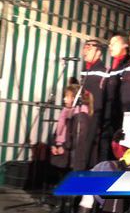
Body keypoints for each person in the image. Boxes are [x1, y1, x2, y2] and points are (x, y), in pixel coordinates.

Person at [50, 84, 93, 213]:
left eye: (67, 97)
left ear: (75, 98)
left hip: (72, 157)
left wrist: (64, 147)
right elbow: (58, 131)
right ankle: (60, 206)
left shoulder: (81, 115)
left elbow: (77, 139)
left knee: (68, 186)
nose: (64, 99)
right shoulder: (66, 112)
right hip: (62, 154)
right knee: (61, 183)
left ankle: (66, 208)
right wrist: (54, 144)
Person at [100, 34, 130, 161]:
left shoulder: (128, 65)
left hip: (120, 118)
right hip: (108, 117)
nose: (110, 46)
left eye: (114, 43)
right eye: (110, 44)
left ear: (125, 45)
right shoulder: (111, 67)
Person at [80, 39, 107, 168]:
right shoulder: (85, 70)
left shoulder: (102, 70)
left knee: (88, 149)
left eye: (89, 48)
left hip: (94, 114)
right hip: (84, 113)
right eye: (85, 48)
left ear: (98, 52)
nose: (85, 51)